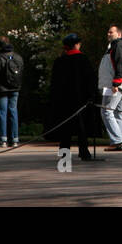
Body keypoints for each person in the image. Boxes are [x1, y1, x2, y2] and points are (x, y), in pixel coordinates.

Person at [46, 33, 98, 161]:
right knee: (82, 128)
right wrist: (92, 95)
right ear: (76, 45)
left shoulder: (60, 62)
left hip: (64, 100)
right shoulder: (83, 60)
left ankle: (64, 154)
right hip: (81, 99)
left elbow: (54, 83)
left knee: (65, 129)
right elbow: (91, 80)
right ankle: (84, 151)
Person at [98, 25, 122, 151]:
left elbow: (120, 64)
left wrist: (116, 83)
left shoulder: (118, 45)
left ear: (119, 34)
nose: (108, 34)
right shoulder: (114, 46)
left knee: (106, 111)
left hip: (115, 86)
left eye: (111, 32)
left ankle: (117, 141)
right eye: (107, 32)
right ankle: (121, 143)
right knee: (120, 114)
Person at [0, 37, 24, 148]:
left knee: (2, 113)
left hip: (1, 89)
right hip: (15, 88)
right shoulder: (18, 57)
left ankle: (2, 139)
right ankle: (14, 139)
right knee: (13, 111)